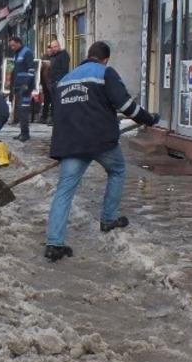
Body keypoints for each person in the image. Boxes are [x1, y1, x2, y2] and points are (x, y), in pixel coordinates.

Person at [44, 41, 159, 263]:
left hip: (71, 143)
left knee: (64, 191)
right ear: (105, 59)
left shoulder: (67, 79)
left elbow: (58, 114)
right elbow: (126, 106)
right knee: (117, 170)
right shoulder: (105, 73)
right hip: (100, 141)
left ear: (88, 55)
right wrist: (148, 118)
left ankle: (54, 243)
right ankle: (108, 218)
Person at [42, 39, 71, 124]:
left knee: (57, 101)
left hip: (59, 81)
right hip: (52, 82)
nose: (54, 48)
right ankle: (54, 119)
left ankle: (57, 119)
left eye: (55, 46)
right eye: (52, 47)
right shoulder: (54, 56)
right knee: (54, 102)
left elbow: (64, 69)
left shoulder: (63, 55)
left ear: (59, 46)